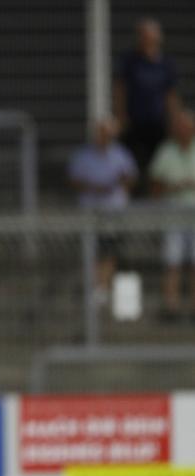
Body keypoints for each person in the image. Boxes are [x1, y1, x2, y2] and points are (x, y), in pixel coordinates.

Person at [68, 117, 137, 304]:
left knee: (109, 249)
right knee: (91, 250)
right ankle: (93, 285)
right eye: (101, 133)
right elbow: (73, 180)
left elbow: (131, 178)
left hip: (113, 211)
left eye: (107, 134)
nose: (104, 137)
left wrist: (117, 183)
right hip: (89, 212)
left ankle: (103, 286)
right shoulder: (83, 155)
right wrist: (94, 187)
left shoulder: (121, 154)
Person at [114, 18, 179, 197]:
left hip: (158, 122)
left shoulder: (166, 63)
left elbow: (171, 95)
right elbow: (120, 90)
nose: (147, 40)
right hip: (134, 122)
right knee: (131, 164)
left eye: (150, 36)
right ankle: (133, 199)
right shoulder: (129, 60)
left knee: (157, 165)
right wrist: (120, 116)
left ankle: (155, 200)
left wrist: (174, 120)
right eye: (143, 36)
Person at [149, 110, 195, 320]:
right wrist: (175, 186)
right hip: (173, 214)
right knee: (172, 261)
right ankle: (171, 308)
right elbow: (154, 185)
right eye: (179, 127)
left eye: (186, 127)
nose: (183, 130)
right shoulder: (166, 151)